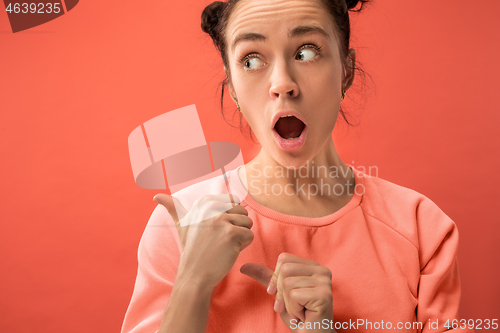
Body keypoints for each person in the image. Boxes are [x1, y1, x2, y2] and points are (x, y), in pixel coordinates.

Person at [120, 0, 474, 332]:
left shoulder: (421, 230)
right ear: (233, 90)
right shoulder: (182, 222)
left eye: (306, 52)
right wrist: (192, 282)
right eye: (252, 60)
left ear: (346, 71)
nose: (283, 84)